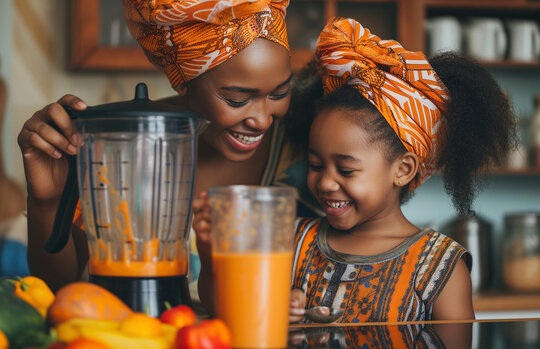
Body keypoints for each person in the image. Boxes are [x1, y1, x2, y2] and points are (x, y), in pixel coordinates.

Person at [193, 17, 515, 321]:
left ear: (403, 169)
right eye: (316, 165)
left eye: (346, 170)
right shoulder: (291, 240)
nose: (326, 182)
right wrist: (211, 258)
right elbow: (228, 307)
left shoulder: (439, 267)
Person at [17, 0, 320, 293]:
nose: (263, 120)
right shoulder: (117, 144)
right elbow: (64, 290)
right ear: (183, 82)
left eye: (279, 93)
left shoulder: (310, 149)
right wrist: (47, 203)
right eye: (238, 100)